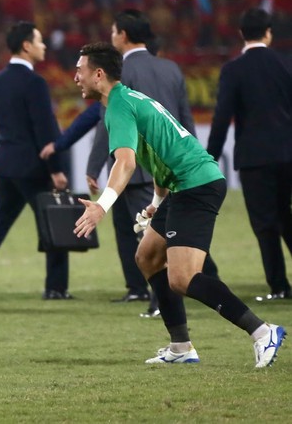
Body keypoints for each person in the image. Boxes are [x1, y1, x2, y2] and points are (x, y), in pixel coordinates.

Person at [72, 42, 285, 367]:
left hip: (196, 185)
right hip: (184, 184)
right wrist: (157, 202)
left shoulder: (117, 106)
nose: (76, 77)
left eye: (80, 69)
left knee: (182, 277)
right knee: (147, 256)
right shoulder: (130, 98)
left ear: (98, 74)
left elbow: (125, 163)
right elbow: (162, 156)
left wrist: (102, 205)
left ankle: (261, 331)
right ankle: (181, 347)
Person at [41, 10, 219, 315]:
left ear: (122, 34)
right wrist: (195, 158)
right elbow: (182, 119)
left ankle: (161, 299)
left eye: (113, 31)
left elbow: (105, 124)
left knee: (153, 245)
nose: (112, 36)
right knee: (150, 244)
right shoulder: (171, 69)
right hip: (173, 170)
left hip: (142, 170)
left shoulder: (120, 81)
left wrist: (93, 165)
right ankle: (164, 317)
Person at [0, 21, 71, 301]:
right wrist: (55, 168)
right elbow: (43, 128)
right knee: (53, 224)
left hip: (7, 164)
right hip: (33, 166)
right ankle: (55, 288)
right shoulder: (34, 83)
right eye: (39, 41)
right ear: (27, 46)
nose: (44, 46)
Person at [207, 7, 292, 302]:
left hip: (255, 158)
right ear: (268, 33)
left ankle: (279, 286)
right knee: (287, 218)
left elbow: (221, 118)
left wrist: (209, 159)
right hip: (288, 155)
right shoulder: (286, 65)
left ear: (242, 34)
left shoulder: (234, 70)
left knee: (265, 223)